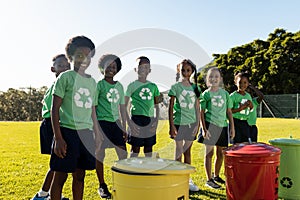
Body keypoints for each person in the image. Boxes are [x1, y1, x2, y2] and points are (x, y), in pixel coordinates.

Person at [50, 36, 101, 200]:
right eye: (79, 55)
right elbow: (54, 109)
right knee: (60, 177)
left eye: (88, 56)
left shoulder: (93, 82)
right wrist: (58, 138)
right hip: (67, 133)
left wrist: (98, 134)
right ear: (70, 57)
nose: (84, 60)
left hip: (86, 134)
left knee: (80, 176)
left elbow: (92, 110)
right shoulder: (65, 78)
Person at [31, 54, 70, 200]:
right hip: (52, 124)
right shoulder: (60, 84)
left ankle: (48, 193)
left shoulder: (60, 84)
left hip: (52, 124)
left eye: (67, 66)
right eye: (61, 66)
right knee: (58, 165)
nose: (65, 68)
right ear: (53, 69)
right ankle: (43, 194)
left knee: (58, 164)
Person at [95, 54, 127, 198]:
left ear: (117, 70)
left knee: (123, 155)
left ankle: (122, 183)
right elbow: (93, 108)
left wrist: (124, 127)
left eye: (114, 67)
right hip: (102, 124)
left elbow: (122, 109)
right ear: (102, 68)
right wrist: (96, 129)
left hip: (116, 124)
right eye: (108, 66)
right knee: (100, 155)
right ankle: (102, 185)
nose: (111, 69)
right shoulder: (99, 85)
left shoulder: (119, 86)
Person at [199, 67, 235, 189]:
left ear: (220, 79)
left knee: (221, 153)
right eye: (211, 77)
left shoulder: (225, 94)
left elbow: (229, 112)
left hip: (223, 126)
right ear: (207, 80)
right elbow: (201, 113)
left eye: (216, 76)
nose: (213, 79)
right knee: (209, 153)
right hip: (210, 126)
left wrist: (232, 128)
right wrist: (204, 129)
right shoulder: (206, 94)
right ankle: (209, 180)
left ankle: (216, 176)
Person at [168, 59, 201, 192]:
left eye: (188, 70)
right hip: (178, 123)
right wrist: (171, 125)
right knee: (178, 150)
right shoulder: (175, 87)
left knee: (188, 152)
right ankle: (177, 177)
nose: (185, 73)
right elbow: (171, 108)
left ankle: (187, 179)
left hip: (191, 123)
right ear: (179, 71)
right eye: (183, 70)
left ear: (192, 72)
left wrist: (197, 125)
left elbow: (197, 107)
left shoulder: (196, 88)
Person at [125, 56, 160, 157]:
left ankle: (147, 171)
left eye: (146, 67)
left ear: (149, 70)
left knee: (148, 149)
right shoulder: (131, 86)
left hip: (150, 120)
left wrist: (156, 122)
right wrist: (130, 123)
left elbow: (157, 106)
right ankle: (131, 172)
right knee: (135, 149)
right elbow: (124, 106)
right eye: (140, 66)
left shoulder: (153, 87)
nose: (143, 69)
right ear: (135, 69)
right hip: (136, 119)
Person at [230, 71, 253, 144]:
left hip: (245, 123)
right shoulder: (232, 96)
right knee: (236, 144)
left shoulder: (248, 96)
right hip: (235, 122)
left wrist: (250, 105)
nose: (242, 85)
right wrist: (239, 109)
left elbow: (251, 109)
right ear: (235, 83)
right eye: (240, 82)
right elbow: (229, 111)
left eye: (245, 82)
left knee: (245, 143)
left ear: (248, 83)